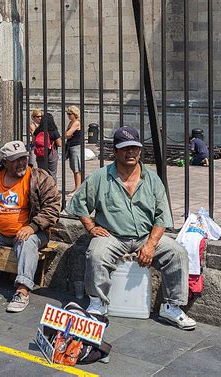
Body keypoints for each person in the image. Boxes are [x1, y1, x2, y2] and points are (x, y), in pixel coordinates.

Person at [67, 126, 196, 330]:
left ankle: (171, 306)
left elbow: (162, 217)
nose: (130, 153)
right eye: (125, 148)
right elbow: (78, 204)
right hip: (113, 235)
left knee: (177, 253)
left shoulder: (152, 179)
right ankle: (98, 303)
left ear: (139, 150)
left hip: (145, 236)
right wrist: (91, 228)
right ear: (115, 151)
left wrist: (151, 244)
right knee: (96, 253)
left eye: (134, 148)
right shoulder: (100, 177)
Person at [0, 140, 61, 313]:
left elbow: (53, 207)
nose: (21, 163)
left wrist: (32, 227)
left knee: (27, 242)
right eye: (15, 160)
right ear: (4, 162)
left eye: (23, 158)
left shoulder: (39, 177)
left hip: (32, 231)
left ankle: (22, 290)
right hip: (0, 230)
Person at [33, 113, 62, 182]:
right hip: (51, 152)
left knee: (41, 173)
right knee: (52, 173)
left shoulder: (38, 130)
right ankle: (52, 190)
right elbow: (59, 144)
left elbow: (33, 141)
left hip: (40, 153)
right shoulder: (54, 131)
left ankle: (42, 190)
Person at [64, 106, 83, 194]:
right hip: (71, 146)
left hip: (76, 146)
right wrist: (67, 134)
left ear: (74, 114)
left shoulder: (76, 123)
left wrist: (68, 134)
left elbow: (68, 133)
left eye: (69, 114)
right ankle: (76, 187)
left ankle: (78, 188)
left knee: (77, 168)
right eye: (67, 114)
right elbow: (66, 134)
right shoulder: (71, 122)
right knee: (73, 167)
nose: (68, 116)